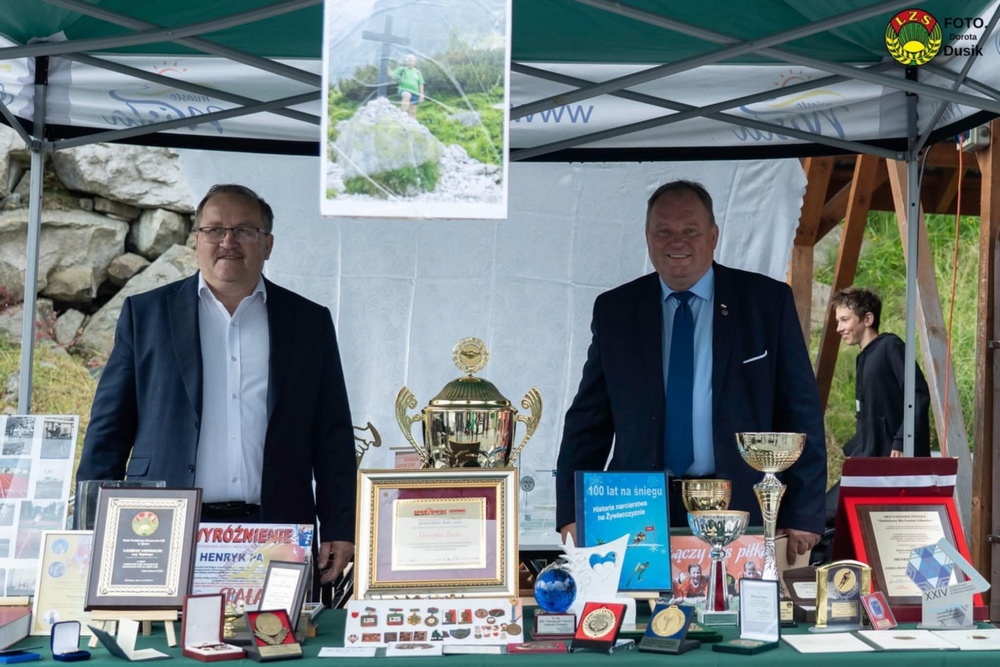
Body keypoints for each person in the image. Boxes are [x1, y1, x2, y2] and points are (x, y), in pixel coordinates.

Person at [76, 184, 357, 586]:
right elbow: (109, 430)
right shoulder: (146, 315)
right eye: (214, 230)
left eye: (244, 231)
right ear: (196, 240)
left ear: (268, 244)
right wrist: (88, 528)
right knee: (167, 630)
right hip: (164, 529)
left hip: (277, 529)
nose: (228, 242)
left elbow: (332, 435)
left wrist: (339, 525)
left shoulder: (309, 322)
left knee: (278, 629)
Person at [555, 180, 827, 562]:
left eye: (690, 231)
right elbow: (588, 421)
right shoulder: (616, 310)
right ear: (647, 237)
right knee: (643, 601)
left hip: (741, 506)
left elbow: (801, 413)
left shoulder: (766, 302)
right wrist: (572, 510)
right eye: (663, 231)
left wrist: (804, 511)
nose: (676, 241)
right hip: (638, 510)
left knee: (732, 602)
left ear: (713, 236)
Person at [831, 286, 931, 457]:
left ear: (867, 319)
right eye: (838, 321)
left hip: (896, 457)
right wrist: (856, 447)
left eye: (844, 320)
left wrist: (902, 441)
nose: (839, 328)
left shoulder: (890, 346)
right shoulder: (863, 358)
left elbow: (918, 395)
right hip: (872, 456)